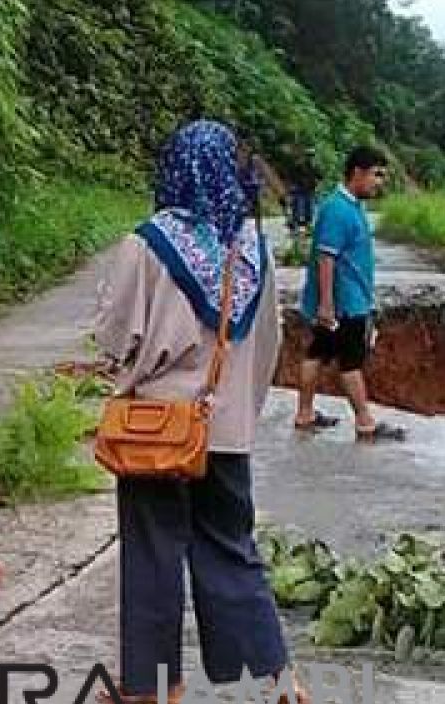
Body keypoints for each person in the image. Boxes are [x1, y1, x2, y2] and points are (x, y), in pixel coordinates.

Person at [92, 121, 306, 703]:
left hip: (157, 430)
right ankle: (278, 682)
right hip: (226, 429)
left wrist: (127, 372)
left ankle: (150, 689)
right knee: (232, 549)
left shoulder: (148, 243)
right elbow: (269, 345)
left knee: (153, 551)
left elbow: (115, 333)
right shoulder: (253, 246)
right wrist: (238, 411)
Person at [296, 147, 405, 442]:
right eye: (376, 175)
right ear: (357, 172)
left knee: (317, 353)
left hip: (344, 301)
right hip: (345, 305)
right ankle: (366, 423)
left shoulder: (350, 206)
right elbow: (326, 258)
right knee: (350, 362)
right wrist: (327, 304)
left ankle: (305, 414)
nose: (379, 182)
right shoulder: (338, 210)